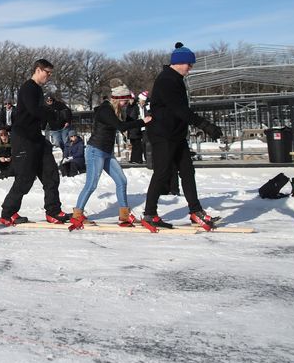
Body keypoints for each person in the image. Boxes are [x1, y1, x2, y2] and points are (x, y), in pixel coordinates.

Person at [141, 43, 224, 232]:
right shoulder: (166, 80)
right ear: (179, 62)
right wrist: (205, 125)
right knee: (162, 173)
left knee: (187, 171)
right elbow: (179, 109)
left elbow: (180, 111)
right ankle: (149, 214)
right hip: (163, 135)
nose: (190, 68)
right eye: (189, 64)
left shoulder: (176, 79)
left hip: (176, 134)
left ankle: (196, 211)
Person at [0, 59, 73, 226]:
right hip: (23, 138)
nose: (49, 76)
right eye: (47, 72)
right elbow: (34, 110)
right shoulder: (28, 87)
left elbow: (40, 114)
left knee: (51, 174)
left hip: (37, 138)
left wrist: (57, 120)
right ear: (38, 70)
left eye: (51, 73)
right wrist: (52, 113)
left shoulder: (38, 90)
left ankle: (53, 211)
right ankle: (7, 213)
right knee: (25, 178)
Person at [69, 81, 151, 230]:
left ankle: (124, 216)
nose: (126, 104)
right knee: (91, 184)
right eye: (125, 101)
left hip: (106, 152)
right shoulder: (105, 110)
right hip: (95, 151)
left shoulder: (114, 109)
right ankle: (77, 214)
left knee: (122, 180)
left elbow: (122, 124)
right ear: (118, 98)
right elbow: (120, 126)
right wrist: (142, 122)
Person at [127, 92, 148, 164]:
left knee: (139, 144)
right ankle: (137, 159)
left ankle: (138, 159)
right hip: (136, 129)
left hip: (142, 129)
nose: (140, 101)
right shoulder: (135, 107)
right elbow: (132, 118)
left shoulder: (145, 107)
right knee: (137, 145)